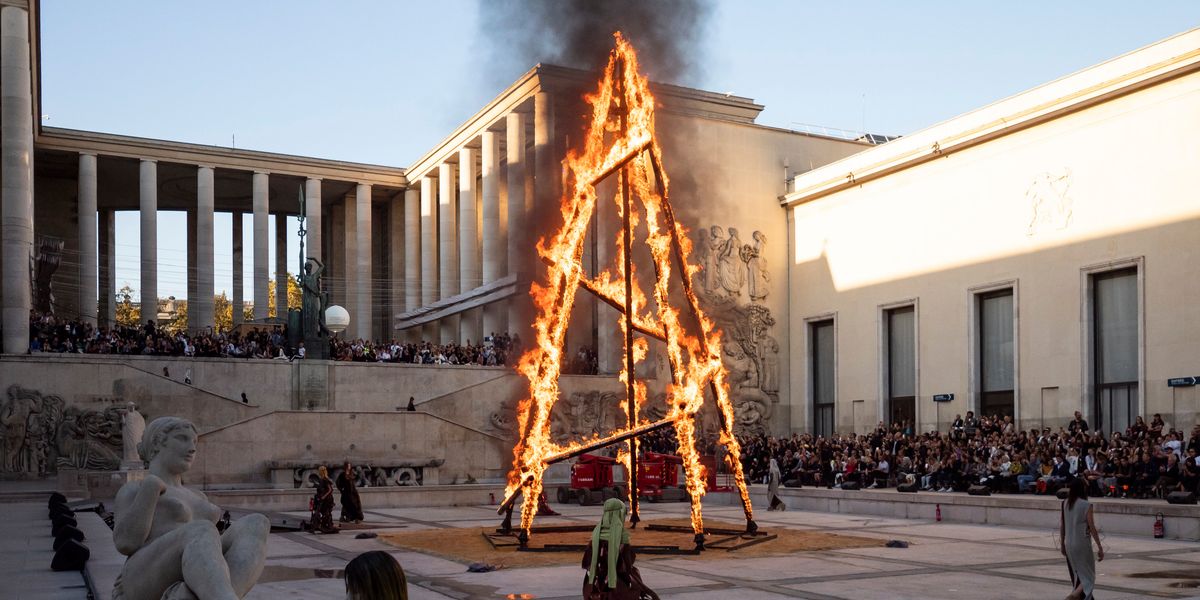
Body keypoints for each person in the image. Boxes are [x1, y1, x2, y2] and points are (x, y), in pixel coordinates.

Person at [112, 417, 269, 600]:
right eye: (182, 438)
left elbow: (209, 558)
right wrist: (150, 488)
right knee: (201, 528)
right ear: (156, 443)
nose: (193, 448)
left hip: (194, 575)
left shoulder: (198, 496)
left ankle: (200, 595)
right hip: (143, 576)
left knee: (256, 523)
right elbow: (125, 543)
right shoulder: (135, 488)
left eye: (194, 442)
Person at [581, 499, 659, 600]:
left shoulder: (596, 533)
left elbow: (586, 562)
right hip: (616, 590)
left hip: (591, 588)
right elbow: (627, 566)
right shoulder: (622, 536)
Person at [1060, 478, 1103, 600]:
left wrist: (1062, 544)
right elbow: (1092, 526)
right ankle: (1074, 596)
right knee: (1089, 575)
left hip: (1069, 543)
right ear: (1082, 488)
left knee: (1077, 573)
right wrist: (1100, 547)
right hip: (1082, 543)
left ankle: (1076, 594)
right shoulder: (1086, 505)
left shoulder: (1065, 503)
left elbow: (1062, 525)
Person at [311, 465, 338, 534]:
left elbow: (330, 489)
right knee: (320, 512)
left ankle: (326, 525)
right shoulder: (321, 480)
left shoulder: (325, 480)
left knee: (325, 512)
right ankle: (320, 525)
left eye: (319, 471)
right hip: (321, 499)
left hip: (327, 500)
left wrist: (323, 496)